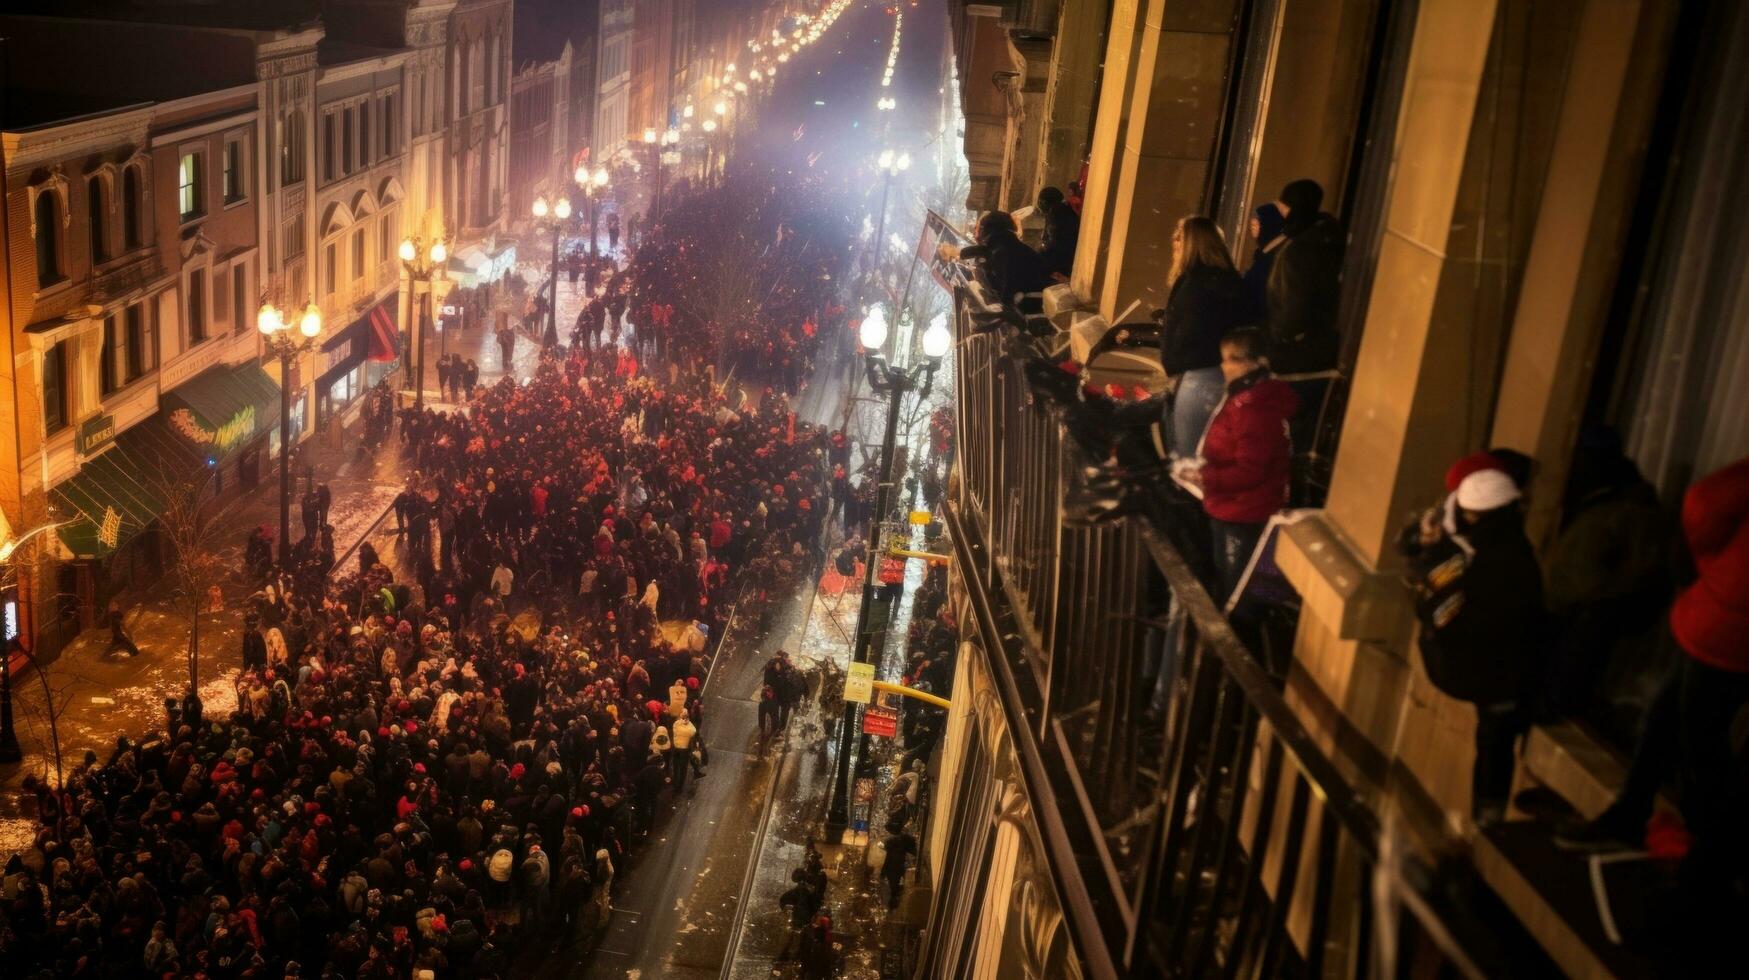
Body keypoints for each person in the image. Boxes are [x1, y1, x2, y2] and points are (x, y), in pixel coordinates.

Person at [1559, 456, 1749, 864]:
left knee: (1698, 743)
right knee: (1671, 725)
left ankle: (1708, 860)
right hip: (1723, 623)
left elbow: (1705, 504)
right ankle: (1638, 820)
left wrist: (1713, 569)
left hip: (1725, 626)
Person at [1399, 466, 1546, 824]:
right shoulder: (1510, 553)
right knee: (1494, 747)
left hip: (1484, 670)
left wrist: (1431, 561)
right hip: (1500, 673)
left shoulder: (1478, 558)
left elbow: (1437, 609)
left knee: (1493, 746)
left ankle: (1487, 824)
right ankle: (1488, 821)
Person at [1176, 327, 1298, 600]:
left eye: (1230, 359)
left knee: (1234, 589)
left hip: (1243, 510)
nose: (1223, 365)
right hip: (1232, 504)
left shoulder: (1253, 408)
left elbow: (1251, 470)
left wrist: (1206, 477)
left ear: (1251, 363)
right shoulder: (1245, 399)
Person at [1157, 216, 1254, 458]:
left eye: (1178, 240)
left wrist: (1173, 365)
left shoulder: (1193, 285)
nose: (1174, 247)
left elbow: (1186, 335)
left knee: (1189, 460)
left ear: (1189, 244)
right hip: (1226, 378)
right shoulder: (1232, 282)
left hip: (1196, 380)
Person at [1264, 179, 1345, 376]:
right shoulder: (1326, 239)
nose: (1281, 214)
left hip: (1298, 349)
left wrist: (1279, 337)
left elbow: (1296, 301)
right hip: (1318, 343)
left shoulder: (1301, 248)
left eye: (1283, 208)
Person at [966, 210, 1053, 307]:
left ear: (987, 229)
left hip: (1036, 301)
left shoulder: (1001, 250)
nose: (975, 229)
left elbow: (1005, 293)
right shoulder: (1004, 244)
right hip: (1033, 297)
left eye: (978, 226)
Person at [1242, 203, 1286, 317]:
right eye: (1252, 223)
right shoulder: (1263, 253)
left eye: (1258, 223)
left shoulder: (1274, 255)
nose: (1253, 226)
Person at [1035, 186, 1081, 279]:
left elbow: (1056, 241)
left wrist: (1044, 249)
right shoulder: (1061, 209)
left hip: (1065, 255)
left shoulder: (1056, 212)